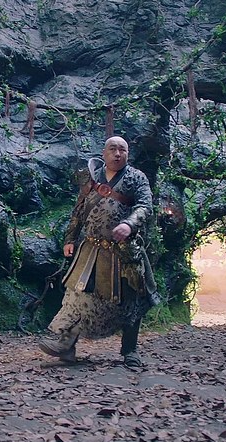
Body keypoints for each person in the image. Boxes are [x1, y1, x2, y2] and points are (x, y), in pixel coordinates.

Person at [38, 136, 158, 368]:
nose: (117, 154)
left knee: (131, 298)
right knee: (77, 294)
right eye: (113, 149)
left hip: (124, 251)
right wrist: (70, 238)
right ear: (104, 153)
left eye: (122, 150)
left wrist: (129, 224)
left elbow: (145, 207)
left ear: (128, 153)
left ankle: (130, 350)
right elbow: (79, 210)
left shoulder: (137, 178)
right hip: (91, 248)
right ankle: (66, 346)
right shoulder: (91, 177)